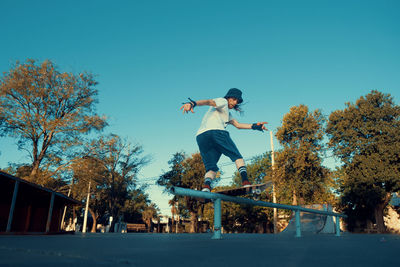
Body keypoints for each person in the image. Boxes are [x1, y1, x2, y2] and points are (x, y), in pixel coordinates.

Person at [180, 88, 267, 192]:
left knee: (211, 168)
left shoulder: (226, 113)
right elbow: (209, 102)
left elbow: (238, 125)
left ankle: (206, 187)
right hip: (217, 132)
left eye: (237, 101)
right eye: (233, 99)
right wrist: (193, 103)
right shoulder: (223, 101)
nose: (235, 103)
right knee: (237, 157)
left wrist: (255, 126)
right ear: (228, 97)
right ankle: (245, 182)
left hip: (201, 137)